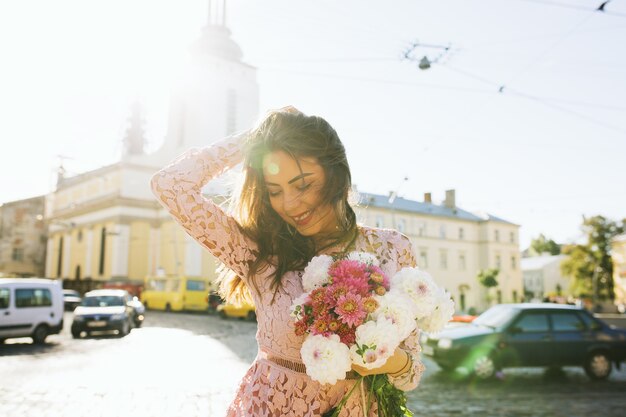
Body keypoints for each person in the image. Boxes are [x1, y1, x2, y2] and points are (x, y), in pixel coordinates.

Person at [150, 106, 424, 416]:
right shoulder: (258, 252)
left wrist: (390, 362)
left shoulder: (391, 249)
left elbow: (411, 372)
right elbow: (170, 185)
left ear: (335, 173)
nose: (289, 204)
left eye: (303, 184)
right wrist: (256, 139)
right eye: (275, 191)